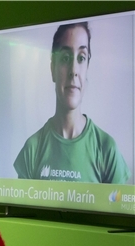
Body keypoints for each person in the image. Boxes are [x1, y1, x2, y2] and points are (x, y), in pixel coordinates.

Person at [13, 22, 130, 183]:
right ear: (52, 68)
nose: (73, 70)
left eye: (81, 58)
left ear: (87, 67)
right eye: (65, 58)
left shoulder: (107, 149)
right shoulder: (33, 148)